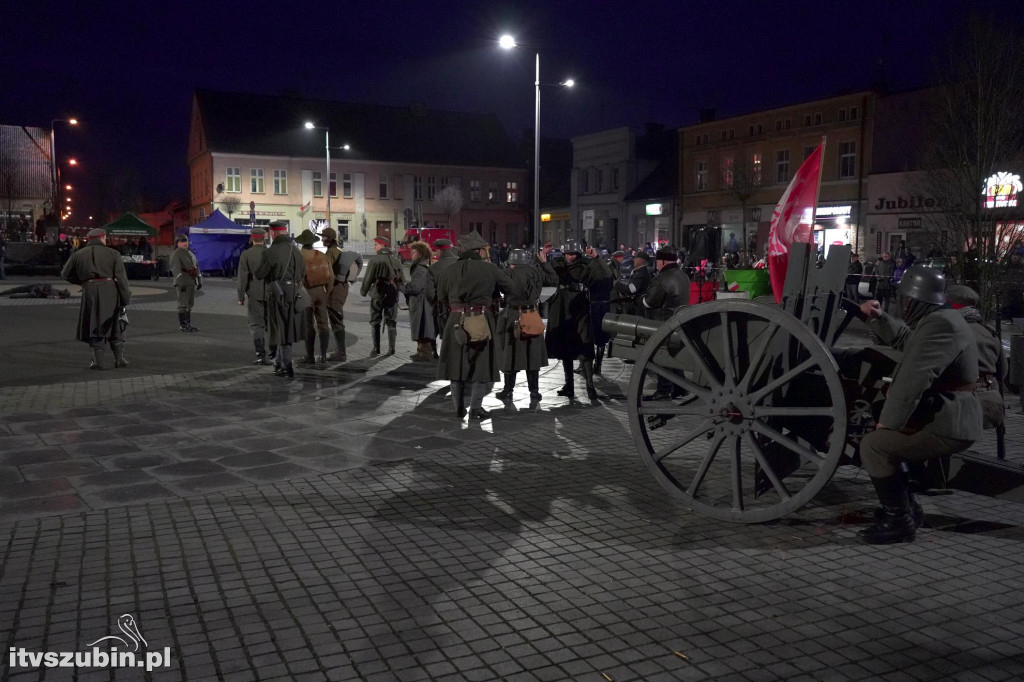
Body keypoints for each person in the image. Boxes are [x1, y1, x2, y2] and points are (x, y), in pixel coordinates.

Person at [856, 266, 982, 544]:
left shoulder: (941, 324)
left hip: (949, 422)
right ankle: (907, 508)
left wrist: (887, 423)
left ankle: (898, 520)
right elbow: (909, 342)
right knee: (885, 442)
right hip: (947, 414)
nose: (900, 303)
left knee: (874, 445)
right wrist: (879, 318)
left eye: (903, 299)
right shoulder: (941, 318)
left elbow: (912, 380)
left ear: (913, 301)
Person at [435, 230, 513, 419]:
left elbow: (440, 297)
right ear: (478, 251)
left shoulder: (448, 270)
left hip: (455, 320)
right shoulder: (490, 269)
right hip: (481, 318)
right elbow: (510, 288)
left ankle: (458, 408)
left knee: (456, 364)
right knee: (481, 365)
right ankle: (476, 408)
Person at [538, 239, 613, 403]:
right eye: (568, 254)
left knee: (585, 345)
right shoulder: (557, 264)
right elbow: (542, 273)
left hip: (580, 305)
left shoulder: (586, 265)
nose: (570, 257)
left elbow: (606, 276)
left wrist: (596, 258)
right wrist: (543, 254)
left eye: (573, 254)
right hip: (561, 306)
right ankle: (569, 386)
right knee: (565, 348)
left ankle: (590, 386)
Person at [60, 228, 132, 369]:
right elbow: (122, 279)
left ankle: (98, 362)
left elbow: (65, 274)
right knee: (115, 324)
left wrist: (83, 282)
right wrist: (125, 298)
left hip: (90, 291)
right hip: (110, 290)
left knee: (95, 323)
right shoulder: (113, 253)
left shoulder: (78, 254)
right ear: (102, 238)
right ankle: (119, 359)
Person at [947, 284, 1005, 429]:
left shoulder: (949, 331)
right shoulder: (989, 332)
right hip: (989, 402)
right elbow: (1002, 371)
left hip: (958, 402)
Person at [495, 248, 548, 403]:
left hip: (512, 314)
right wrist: (544, 264)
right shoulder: (535, 271)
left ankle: (508, 390)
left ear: (512, 262)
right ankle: (534, 392)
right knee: (533, 354)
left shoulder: (507, 273)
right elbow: (552, 279)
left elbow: (498, 289)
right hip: (532, 313)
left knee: (509, 353)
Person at [255, 224, 306, 378]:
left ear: (273, 233)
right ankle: (280, 363)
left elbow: (260, 273)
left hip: (278, 294)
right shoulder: (296, 250)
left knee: (279, 329)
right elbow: (303, 271)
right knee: (288, 329)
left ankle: (287, 365)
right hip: (294, 293)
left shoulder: (271, 251)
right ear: (285, 232)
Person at [642, 245, 691, 399]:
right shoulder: (683, 276)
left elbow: (650, 302)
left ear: (662, 261)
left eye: (657, 260)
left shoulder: (661, 278)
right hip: (678, 322)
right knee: (673, 357)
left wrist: (640, 299)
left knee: (661, 357)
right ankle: (681, 388)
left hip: (662, 323)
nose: (656, 263)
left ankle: (663, 390)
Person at [360, 236, 405, 356]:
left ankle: (376, 348)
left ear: (382, 246)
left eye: (376, 245)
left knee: (375, 321)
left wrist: (363, 291)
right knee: (391, 321)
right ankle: (391, 349)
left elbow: (368, 278)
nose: (374, 247)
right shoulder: (396, 261)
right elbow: (402, 281)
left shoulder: (374, 260)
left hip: (377, 294)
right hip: (392, 294)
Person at [322, 227, 361, 362]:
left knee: (336, 319)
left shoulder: (331, 252)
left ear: (329, 239)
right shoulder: (339, 250)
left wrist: (326, 291)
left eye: (324, 237)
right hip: (342, 288)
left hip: (335, 289)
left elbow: (328, 274)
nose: (322, 239)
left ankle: (341, 352)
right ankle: (340, 351)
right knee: (336, 318)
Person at [296, 229, 332, 365]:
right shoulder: (321, 255)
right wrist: (326, 293)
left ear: (302, 243)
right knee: (323, 324)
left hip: (306, 293)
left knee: (308, 324)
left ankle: (309, 356)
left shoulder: (299, 256)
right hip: (321, 292)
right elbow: (331, 276)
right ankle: (323, 355)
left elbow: (297, 277)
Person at [236, 227, 270, 364]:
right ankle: (274, 354)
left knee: (256, 325)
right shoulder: (270, 253)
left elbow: (242, 277)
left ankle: (261, 355)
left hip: (254, 294)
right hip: (271, 293)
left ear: (252, 239)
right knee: (272, 325)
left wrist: (241, 296)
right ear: (264, 238)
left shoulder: (246, 254)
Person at [403, 241, 436, 362]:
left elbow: (416, 288)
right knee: (421, 327)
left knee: (422, 327)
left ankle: (425, 352)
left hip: (420, 304)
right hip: (421, 303)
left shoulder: (420, 269)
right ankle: (421, 351)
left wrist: (402, 286)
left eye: (414, 252)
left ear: (421, 254)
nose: (412, 255)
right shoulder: (423, 267)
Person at [427, 238, 457, 351]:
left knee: (439, 331)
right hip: (460, 306)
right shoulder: (460, 263)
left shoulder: (433, 268)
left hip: (442, 308)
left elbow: (430, 293)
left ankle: (437, 353)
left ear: (439, 251)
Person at [169, 234, 200, 332]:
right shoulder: (176, 253)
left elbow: (196, 266)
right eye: (183, 241)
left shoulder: (189, 253)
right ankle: (183, 325)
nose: (185, 242)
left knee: (189, 304)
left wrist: (199, 280)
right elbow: (176, 269)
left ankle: (188, 324)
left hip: (191, 281)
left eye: (186, 240)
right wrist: (180, 282)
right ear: (178, 243)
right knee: (183, 304)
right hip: (183, 282)